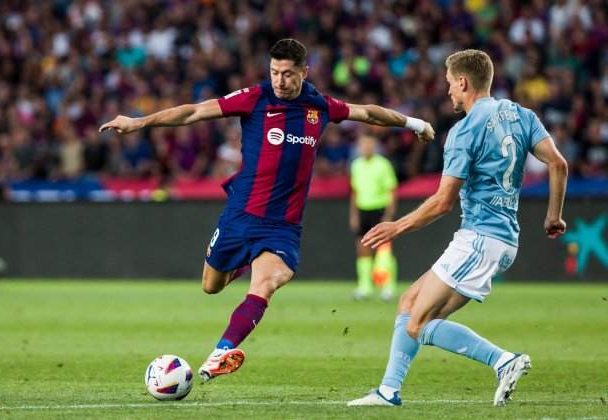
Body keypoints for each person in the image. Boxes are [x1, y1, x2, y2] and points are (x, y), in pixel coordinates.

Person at [99, 39, 435, 383]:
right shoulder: (255, 98)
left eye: (288, 74)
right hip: (240, 215)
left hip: (283, 226)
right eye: (274, 72)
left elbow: (367, 112)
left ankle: (221, 351)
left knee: (269, 281)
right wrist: (139, 123)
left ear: (303, 72)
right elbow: (194, 111)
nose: (279, 80)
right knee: (211, 286)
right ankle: (245, 261)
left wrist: (414, 123)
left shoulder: (319, 106)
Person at [347, 49, 568, 408]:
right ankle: (389, 391)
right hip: (498, 237)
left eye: (449, 84)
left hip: (481, 238)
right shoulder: (520, 114)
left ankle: (503, 360)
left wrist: (397, 227)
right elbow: (558, 164)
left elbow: (442, 201)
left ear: (463, 82)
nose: (448, 91)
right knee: (408, 304)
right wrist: (553, 216)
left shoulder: (464, 131)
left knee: (417, 323)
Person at [349, 134, 399, 301]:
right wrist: (354, 215)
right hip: (363, 210)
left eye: (369, 145)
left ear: (374, 147)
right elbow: (354, 192)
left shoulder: (383, 164)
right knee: (362, 248)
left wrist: (389, 215)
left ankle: (387, 286)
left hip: (379, 209)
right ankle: (365, 287)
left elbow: (392, 191)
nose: (366, 148)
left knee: (383, 249)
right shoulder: (356, 165)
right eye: (363, 145)